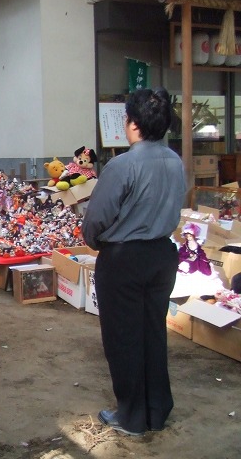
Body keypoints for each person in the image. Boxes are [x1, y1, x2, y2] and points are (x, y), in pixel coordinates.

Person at [81, 87, 186, 436]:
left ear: (134, 124)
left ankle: (131, 416)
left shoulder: (123, 165)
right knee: (152, 332)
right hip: (160, 255)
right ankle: (157, 408)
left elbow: (97, 217)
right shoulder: (175, 161)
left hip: (125, 258)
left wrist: (96, 243)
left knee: (124, 337)